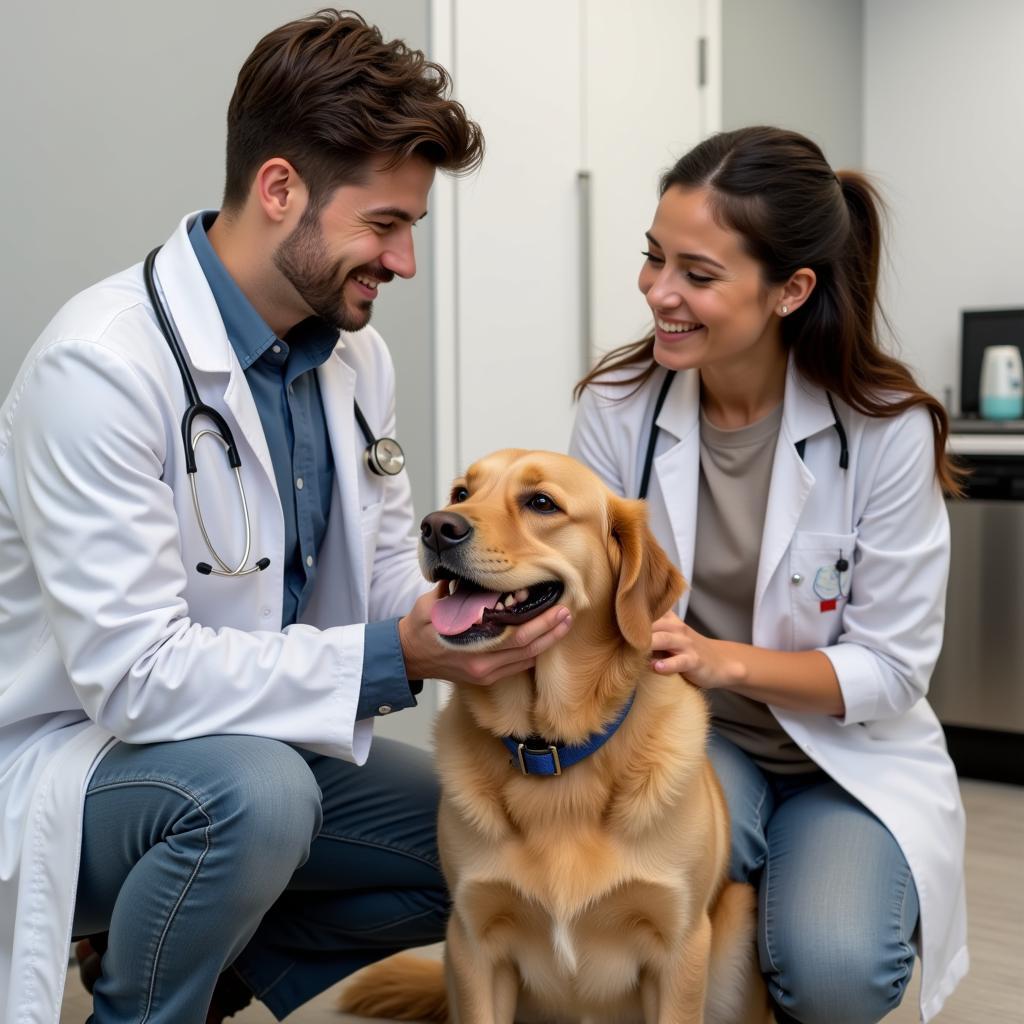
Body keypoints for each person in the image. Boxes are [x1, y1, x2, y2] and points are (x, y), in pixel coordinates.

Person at [0, 11, 572, 1024]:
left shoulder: (355, 360)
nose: (402, 262)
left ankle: (212, 957)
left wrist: (492, 598)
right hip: (78, 761)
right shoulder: (101, 367)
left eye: (412, 230)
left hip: (253, 745)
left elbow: (390, 568)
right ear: (279, 190)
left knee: (502, 842)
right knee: (259, 797)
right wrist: (399, 658)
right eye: (384, 224)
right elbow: (134, 679)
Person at [570, 126, 967, 1024]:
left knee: (833, 973)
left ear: (791, 290)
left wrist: (725, 660)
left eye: (698, 275)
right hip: (691, 736)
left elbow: (895, 667)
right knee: (644, 900)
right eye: (653, 258)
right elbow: (591, 591)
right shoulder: (621, 407)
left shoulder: (885, 428)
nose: (658, 293)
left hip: (847, 759)